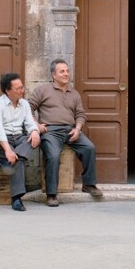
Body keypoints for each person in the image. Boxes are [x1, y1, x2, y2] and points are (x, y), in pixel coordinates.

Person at [27, 58, 103, 207]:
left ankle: (88, 184)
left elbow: (80, 114)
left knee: (89, 148)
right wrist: (36, 125)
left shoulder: (74, 93)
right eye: (62, 71)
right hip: (50, 131)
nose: (66, 74)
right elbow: (27, 107)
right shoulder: (42, 90)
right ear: (53, 75)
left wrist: (77, 128)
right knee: (53, 155)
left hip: (70, 129)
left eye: (67, 71)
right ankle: (51, 194)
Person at [0, 73, 41, 212]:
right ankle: (16, 199)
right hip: (0, 140)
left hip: (19, 138)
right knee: (18, 159)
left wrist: (34, 131)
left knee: (34, 139)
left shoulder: (24, 104)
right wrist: (8, 150)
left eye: (22, 87)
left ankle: (10, 160)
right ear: (7, 90)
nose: (22, 90)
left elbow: (29, 123)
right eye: (18, 88)